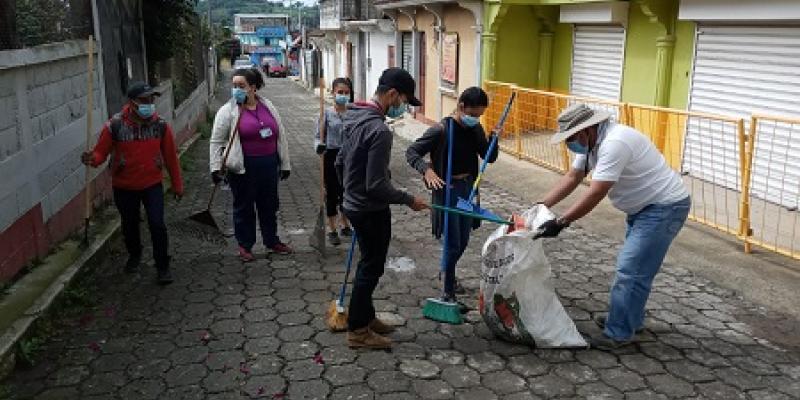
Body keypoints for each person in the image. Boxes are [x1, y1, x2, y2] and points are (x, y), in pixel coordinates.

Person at [536, 104, 690, 350]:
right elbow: (573, 177)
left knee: (630, 269)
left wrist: (562, 221)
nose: (570, 144)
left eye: (571, 138)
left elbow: (596, 192)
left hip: (664, 208)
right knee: (637, 270)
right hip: (644, 209)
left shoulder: (614, 143)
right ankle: (629, 320)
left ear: (587, 129)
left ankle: (618, 333)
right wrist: (541, 205)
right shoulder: (591, 143)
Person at [335, 68, 429, 349]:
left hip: (354, 206)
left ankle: (366, 316)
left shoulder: (353, 116)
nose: (403, 107)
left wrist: (348, 193)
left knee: (367, 264)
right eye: (403, 100)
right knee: (370, 268)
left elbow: (340, 161)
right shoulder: (378, 130)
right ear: (392, 94)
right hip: (370, 210)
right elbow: (376, 185)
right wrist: (409, 199)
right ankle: (358, 332)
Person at [81, 81, 183, 285]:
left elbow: (171, 157)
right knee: (129, 225)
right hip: (124, 186)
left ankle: (162, 265)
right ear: (132, 103)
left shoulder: (160, 125)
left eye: (151, 100)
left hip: (152, 184)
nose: (150, 104)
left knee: (157, 224)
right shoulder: (115, 126)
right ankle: (135, 254)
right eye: (145, 100)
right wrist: (92, 158)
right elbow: (101, 152)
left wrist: (177, 185)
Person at [405, 87, 498, 302]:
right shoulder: (441, 130)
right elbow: (412, 152)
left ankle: (448, 273)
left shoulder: (474, 130)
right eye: (473, 115)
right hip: (447, 191)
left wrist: (494, 138)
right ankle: (448, 291)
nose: (476, 119)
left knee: (463, 239)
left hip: (468, 190)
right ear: (461, 106)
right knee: (452, 242)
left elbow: (488, 156)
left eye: (479, 116)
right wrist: (426, 170)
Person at [210, 68, 292, 262]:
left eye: (241, 86)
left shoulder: (268, 106)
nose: (236, 89)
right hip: (243, 168)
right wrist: (215, 167)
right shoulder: (228, 110)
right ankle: (245, 245)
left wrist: (285, 163)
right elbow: (216, 141)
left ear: (253, 88)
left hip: (269, 165)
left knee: (269, 206)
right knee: (244, 207)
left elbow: (281, 135)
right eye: (234, 86)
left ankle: (271, 241)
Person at [315, 77, 354, 246]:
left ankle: (345, 224)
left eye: (346, 93)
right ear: (333, 93)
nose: (343, 95)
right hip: (330, 156)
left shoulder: (353, 114)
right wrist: (319, 146)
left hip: (349, 157)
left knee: (347, 192)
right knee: (331, 193)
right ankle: (332, 228)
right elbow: (317, 137)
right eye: (340, 92)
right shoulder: (326, 114)